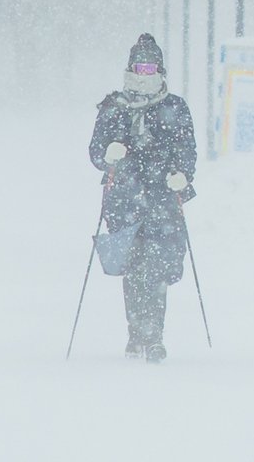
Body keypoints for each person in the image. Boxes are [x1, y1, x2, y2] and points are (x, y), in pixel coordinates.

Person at [88, 33, 196, 363]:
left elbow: (187, 150)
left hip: (163, 202)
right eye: (139, 67)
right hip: (125, 201)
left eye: (150, 67)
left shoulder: (175, 108)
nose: (144, 74)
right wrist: (109, 154)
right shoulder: (113, 108)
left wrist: (182, 176)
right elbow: (95, 153)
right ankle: (136, 333)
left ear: (159, 70)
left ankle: (154, 335)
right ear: (130, 68)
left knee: (157, 268)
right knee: (134, 268)